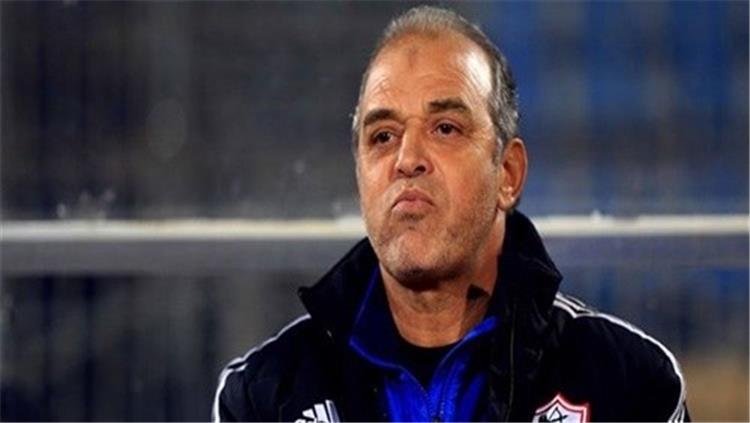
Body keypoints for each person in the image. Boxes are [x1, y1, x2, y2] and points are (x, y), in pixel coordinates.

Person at [213, 6, 689, 422]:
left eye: (445, 128)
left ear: (507, 173)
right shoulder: (262, 397)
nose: (407, 159)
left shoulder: (629, 385)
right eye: (383, 136)